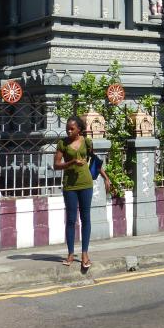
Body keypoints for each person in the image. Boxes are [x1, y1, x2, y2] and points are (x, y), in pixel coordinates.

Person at [53, 115, 109, 271]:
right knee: (71, 219)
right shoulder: (62, 144)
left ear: (79, 129)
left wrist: (106, 178)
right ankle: (70, 253)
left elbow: (95, 163)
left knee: (86, 218)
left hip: (86, 183)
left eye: (72, 128)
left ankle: (85, 253)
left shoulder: (87, 142)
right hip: (70, 186)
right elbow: (56, 165)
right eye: (67, 128)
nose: (69, 131)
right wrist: (71, 162)